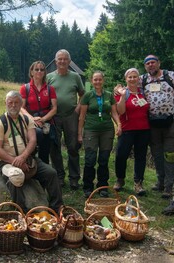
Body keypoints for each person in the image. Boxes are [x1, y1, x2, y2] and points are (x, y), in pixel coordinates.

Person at [0, 91, 63, 213]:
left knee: (51, 173)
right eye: (10, 102)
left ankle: (57, 207)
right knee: (15, 178)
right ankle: (21, 212)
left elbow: (33, 140)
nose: (13, 105)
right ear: (6, 103)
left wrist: (23, 157)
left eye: (16, 102)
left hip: (27, 158)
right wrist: (15, 161)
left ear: (21, 104)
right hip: (7, 162)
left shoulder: (26, 120)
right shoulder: (0, 123)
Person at [142, 55, 174, 198]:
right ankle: (160, 182)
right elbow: (130, 88)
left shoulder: (170, 76)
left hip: (170, 123)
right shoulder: (143, 79)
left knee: (169, 154)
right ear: (145, 66)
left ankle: (169, 187)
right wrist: (118, 89)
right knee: (157, 154)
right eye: (148, 64)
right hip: (152, 124)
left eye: (153, 62)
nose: (151, 65)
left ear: (159, 63)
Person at [78, 71, 121, 198]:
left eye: (99, 79)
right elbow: (82, 116)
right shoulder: (87, 95)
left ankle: (102, 186)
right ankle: (87, 186)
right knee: (90, 159)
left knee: (103, 159)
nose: (97, 82)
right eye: (95, 79)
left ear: (103, 80)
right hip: (91, 130)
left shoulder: (109, 95)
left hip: (107, 130)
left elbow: (113, 112)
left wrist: (119, 124)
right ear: (92, 81)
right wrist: (79, 134)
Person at [46, 49, 85, 190]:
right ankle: (59, 176)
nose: (62, 61)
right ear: (56, 61)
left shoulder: (75, 77)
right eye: (59, 59)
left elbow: (82, 94)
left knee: (73, 147)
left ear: (69, 61)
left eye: (65, 59)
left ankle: (74, 178)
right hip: (54, 116)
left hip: (71, 116)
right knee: (54, 147)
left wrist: (77, 108)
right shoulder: (49, 77)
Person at [113, 68, 150, 196]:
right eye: (130, 77)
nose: (133, 79)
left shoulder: (143, 92)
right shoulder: (121, 93)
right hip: (127, 129)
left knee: (140, 157)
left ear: (138, 78)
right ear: (126, 79)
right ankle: (120, 179)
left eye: (135, 76)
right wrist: (123, 96)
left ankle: (138, 183)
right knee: (121, 155)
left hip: (143, 129)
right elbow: (121, 111)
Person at [20, 61, 57, 164]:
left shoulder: (50, 89)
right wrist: (32, 119)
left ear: (45, 72)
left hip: (46, 123)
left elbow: (54, 108)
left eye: (42, 69)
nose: (39, 71)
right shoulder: (25, 88)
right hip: (30, 122)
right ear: (31, 72)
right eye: (36, 69)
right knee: (30, 151)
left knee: (45, 153)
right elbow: (21, 108)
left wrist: (43, 119)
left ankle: (44, 175)